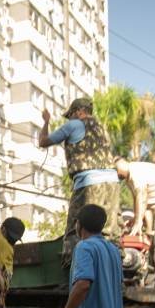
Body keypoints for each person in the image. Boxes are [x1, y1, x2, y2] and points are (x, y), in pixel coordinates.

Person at [38, 98, 120, 267]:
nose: (70, 119)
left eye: (71, 115)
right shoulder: (102, 129)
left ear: (79, 112)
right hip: (112, 183)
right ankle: (114, 268)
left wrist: (46, 121)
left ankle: (72, 271)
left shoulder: (74, 125)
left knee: (77, 229)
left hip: (89, 184)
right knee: (110, 232)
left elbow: (43, 141)